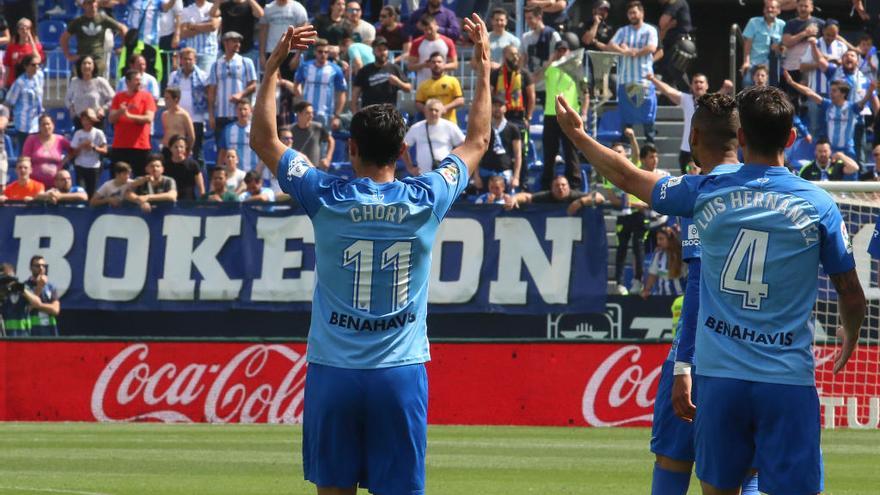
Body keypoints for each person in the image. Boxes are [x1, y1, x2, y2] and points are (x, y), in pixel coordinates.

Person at [555, 84, 865, 495]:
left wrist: (578, 135)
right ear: (791, 139)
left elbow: (627, 176)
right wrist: (851, 334)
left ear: (741, 138)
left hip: (720, 380)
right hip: (786, 380)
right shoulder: (818, 204)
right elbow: (851, 291)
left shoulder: (703, 191)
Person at [250, 17, 491, 494]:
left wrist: (273, 68)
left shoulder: (324, 194)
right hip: (398, 374)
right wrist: (482, 69)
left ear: (352, 148)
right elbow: (477, 141)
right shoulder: (427, 198)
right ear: (403, 151)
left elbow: (264, 141)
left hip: (334, 373)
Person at [649, 92, 760, 495]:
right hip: (756, 352)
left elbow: (696, 286)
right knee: (745, 470)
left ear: (693, 135)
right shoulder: (772, 188)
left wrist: (683, 365)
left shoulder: (697, 193)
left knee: (674, 460)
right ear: (742, 137)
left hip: (700, 349)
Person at [649, 73, 733, 174]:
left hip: (706, 151)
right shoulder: (686, 99)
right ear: (691, 86)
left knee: (705, 182)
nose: (698, 84)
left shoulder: (712, 101)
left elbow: (721, 96)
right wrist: (653, 79)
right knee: (688, 184)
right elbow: (668, 91)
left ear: (707, 85)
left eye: (701, 82)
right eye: (695, 82)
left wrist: (725, 89)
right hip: (687, 151)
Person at [783, 71, 876, 160]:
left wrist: (870, 90)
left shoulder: (851, 107)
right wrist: (792, 83)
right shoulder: (828, 105)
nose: (830, 93)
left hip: (848, 150)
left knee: (850, 173)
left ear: (843, 93)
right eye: (830, 90)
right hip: (830, 151)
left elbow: (863, 101)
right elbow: (810, 93)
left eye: (834, 91)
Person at [607, 1, 658, 143]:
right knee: (626, 115)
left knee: (648, 114)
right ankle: (626, 146)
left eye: (635, 12)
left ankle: (650, 145)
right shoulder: (623, 31)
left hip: (644, 80)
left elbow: (652, 47)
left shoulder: (650, 30)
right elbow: (610, 45)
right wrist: (624, 51)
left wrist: (635, 52)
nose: (632, 16)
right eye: (630, 13)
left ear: (641, 13)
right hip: (626, 80)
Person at [541, 40, 586, 191]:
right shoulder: (551, 68)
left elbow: (585, 92)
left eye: (564, 50)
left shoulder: (576, 68)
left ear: (569, 52)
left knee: (571, 151)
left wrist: (584, 113)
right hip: (551, 114)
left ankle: (574, 185)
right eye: (559, 50)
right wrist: (550, 60)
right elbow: (536, 78)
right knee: (549, 152)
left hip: (569, 114)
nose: (561, 53)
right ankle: (548, 186)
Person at [207, 31, 258, 152]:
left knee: (241, 148)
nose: (238, 44)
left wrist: (241, 94)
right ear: (225, 42)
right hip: (221, 114)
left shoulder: (246, 62)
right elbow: (212, 91)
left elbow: (253, 85)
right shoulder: (216, 64)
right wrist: (211, 115)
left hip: (239, 114)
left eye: (239, 41)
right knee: (222, 148)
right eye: (234, 41)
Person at [799, 20, 848, 138]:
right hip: (816, 91)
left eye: (834, 35)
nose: (830, 37)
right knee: (814, 126)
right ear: (823, 31)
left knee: (833, 126)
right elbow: (802, 67)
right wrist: (820, 64)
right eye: (828, 34)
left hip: (836, 94)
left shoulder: (842, 46)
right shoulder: (814, 44)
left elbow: (848, 66)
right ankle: (814, 155)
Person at [109, 70, 158, 177]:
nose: (139, 82)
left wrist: (129, 116)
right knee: (117, 179)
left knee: (142, 178)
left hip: (140, 146)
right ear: (127, 82)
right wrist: (120, 112)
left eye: (140, 80)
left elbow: (149, 118)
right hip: (120, 145)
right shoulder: (118, 97)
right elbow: (111, 119)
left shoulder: (147, 97)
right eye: (136, 80)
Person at [61, 0, 127, 77]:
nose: (92, 5)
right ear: (84, 6)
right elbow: (64, 38)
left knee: (97, 78)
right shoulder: (78, 22)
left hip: (97, 58)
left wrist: (123, 47)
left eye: (94, 2)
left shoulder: (103, 19)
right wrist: (68, 55)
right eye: (89, 3)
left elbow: (123, 28)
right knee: (76, 80)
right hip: (82, 57)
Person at [294, 38, 347, 130]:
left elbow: (342, 93)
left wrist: (337, 116)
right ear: (315, 52)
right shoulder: (305, 66)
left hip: (326, 114)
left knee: (323, 143)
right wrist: (301, 100)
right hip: (306, 113)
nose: (323, 54)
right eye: (320, 51)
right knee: (303, 141)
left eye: (326, 52)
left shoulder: (335, 69)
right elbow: (296, 84)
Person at [167, 48, 209, 165]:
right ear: (181, 60)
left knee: (197, 153)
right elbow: (169, 96)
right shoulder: (174, 76)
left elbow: (208, 97)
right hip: (178, 120)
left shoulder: (203, 76)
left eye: (190, 59)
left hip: (196, 119)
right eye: (185, 59)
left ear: (195, 60)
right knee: (177, 153)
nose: (187, 62)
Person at [402, 98, 466, 175]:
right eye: (431, 109)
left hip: (445, 176)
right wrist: (410, 168)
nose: (433, 112)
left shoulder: (450, 126)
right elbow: (403, 148)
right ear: (425, 111)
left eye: (436, 110)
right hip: (423, 176)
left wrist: (457, 166)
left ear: (441, 112)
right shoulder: (416, 127)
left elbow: (465, 146)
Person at [351, 37, 411, 112]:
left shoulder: (394, 68)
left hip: (389, 113)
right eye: (379, 50)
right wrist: (355, 113)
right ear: (373, 52)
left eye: (385, 49)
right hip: (369, 113)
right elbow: (355, 94)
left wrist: (398, 82)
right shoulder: (364, 70)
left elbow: (408, 88)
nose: (382, 52)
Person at [781, 0, 823, 105]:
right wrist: (805, 33)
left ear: (812, 8)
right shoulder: (790, 23)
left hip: (812, 67)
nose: (803, 8)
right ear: (797, 7)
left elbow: (832, 37)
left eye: (806, 6)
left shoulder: (821, 23)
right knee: (792, 99)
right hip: (793, 67)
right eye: (800, 6)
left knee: (810, 98)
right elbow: (786, 42)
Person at [476, 97, 522, 190]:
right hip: (485, 171)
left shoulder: (513, 128)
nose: (497, 108)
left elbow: (518, 155)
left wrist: (516, 177)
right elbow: (476, 152)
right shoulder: (484, 127)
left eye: (500, 106)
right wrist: (476, 176)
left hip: (505, 172)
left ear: (505, 108)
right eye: (494, 106)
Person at [4, 54, 43, 153]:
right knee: (24, 152)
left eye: (38, 65)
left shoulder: (40, 76)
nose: (36, 67)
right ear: (26, 66)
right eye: (33, 65)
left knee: (36, 152)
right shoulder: (20, 82)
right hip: (23, 123)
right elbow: (9, 101)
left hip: (36, 122)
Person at [741, 0, 785, 87]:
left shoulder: (782, 24)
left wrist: (779, 47)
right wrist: (746, 61)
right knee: (747, 83)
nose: (769, 9)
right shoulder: (753, 22)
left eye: (772, 7)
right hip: (755, 63)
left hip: (774, 64)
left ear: (778, 10)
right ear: (763, 10)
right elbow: (748, 43)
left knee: (774, 89)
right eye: (767, 7)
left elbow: (786, 45)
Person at [21, 114, 72, 189]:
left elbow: (73, 150)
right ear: (39, 127)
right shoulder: (31, 139)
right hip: (35, 184)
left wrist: (63, 162)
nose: (46, 127)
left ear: (53, 125)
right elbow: (25, 159)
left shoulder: (60, 139)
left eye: (48, 124)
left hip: (55, 184)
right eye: (43, 124)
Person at [508, 174, 605, 213]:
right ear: (552, 188)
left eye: (563, 185)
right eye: (557, 185)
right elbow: (526, 197)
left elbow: (600, 197)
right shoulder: (547, 196)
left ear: (568, 187)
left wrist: (581, 202)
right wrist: (514, 199)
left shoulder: (575, 195)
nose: (560, 188)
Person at [408, 15, 458, 89]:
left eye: (430, 28)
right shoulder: (417, 43)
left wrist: (440, 66)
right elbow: (410, 66)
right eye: (425, 29)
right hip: (423, 85)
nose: (429, 32)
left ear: (436, 26)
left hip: (443, 85)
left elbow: (455, 64)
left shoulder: (447, 42)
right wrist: (424, 65)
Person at [520, 4, 561, 95]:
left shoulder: (552, 35)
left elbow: (554, 60)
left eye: (530, 18)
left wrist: (537, 77)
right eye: (526, 18)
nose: (528, 21)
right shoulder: (525, 37)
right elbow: (523, 59)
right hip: (529, 86)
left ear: (539, 17)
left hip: (547, 86)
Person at [66, 56, 115, 130]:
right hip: (79, 120)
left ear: (94, 66)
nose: (86, 66)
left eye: (89, 63)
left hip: (96, 120)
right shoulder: (74, 81)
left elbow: (113, 98)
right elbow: (67, 99)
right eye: (84, 63)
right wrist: (71, 107)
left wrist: (103, 109)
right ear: (80, 66)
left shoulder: (100, 82)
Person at [415, 52, 464, 124]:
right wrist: (430, 111)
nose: (436, 64)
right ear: (429, 65)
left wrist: (445, 108)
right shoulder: (423, 85)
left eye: (439, 62)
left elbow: (460, 100)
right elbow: (418, 103)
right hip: (431, 123)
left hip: (449, 123)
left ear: (444, 64)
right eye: (433, 62)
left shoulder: (453, 81)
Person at [258, 0, 308, 72]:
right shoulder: (268, 9)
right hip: (272, 52)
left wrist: (297, 56)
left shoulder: (298, 8)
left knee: (289, 82)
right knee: (271, 82)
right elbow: (263, 33)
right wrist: (262, 55)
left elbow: (303, 33)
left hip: (292, 52)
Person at [70, 108, 108, 196]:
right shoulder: (78, 133)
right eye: (84, 120)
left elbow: (105, 150)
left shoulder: (99, 133)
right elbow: (73, 152)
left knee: (92, 192)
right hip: (80, 165)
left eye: (88, 120)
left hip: (94, 166)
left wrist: (94, 147)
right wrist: (81, 146)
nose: (86, 122)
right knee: (81, 190)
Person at [640, 225, 685, 297]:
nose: (658, 242)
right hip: (662, 297)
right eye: (657, 239)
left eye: (661, 239)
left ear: (670, 239)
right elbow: (652, 274)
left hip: (679, 297)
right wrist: (647, 290)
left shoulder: (682, 255)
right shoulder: (658, 255)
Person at [22, 255, 60, 337]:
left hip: (50, 332)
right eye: (37, 266)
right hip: (32, 332)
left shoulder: (51, 287)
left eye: (43, 266)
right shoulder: (24, 287)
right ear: (31, 268)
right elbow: (27, 309)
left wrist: (38, 305)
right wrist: (39, 287)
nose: (41, 268)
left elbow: (55, 310)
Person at [221, 100, 261, 176]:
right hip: (233, 174)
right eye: (240, 109)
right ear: (236, 111)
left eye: (245, 109)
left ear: (251, 111)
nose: (242, 112)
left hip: (252, 174)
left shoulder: (257, 129)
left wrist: (257, 172)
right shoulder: (228, 129)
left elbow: (263, 154)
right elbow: (223, 151)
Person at [179, 0, 220, 74]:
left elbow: (213, 26)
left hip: (208, 52)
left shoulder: (213, 7)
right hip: (191, 53)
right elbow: (184, 33)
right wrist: (205, 26)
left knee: (206, 82)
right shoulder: (187, 10)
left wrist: (192, 26)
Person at [291, 102, 334, 170]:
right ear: (299, 114)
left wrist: (328, 158)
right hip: (295, 170)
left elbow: (331, 140)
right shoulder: (290, 130)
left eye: (312, 113)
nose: (311, 115)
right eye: (307, 113)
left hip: (314, 170)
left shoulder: (318, 127)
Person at [2, 17, 42, 89]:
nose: (24, 30)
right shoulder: (11, 47)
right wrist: (4, 84)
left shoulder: (37, 47)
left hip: (30, 85)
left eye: (27, 28)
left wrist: (31, 41)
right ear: (18, 30)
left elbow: (38, 59)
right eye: (22, 28)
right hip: (13, 84)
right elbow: (7, 67)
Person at [163, 134, 204, 200]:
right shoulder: (165, 165)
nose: (179, 149)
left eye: (181, 147)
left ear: (185, 148)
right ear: (170, 148)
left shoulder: (193, 165)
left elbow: (201, 187)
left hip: (188, 202)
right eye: (175, 147)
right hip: (169, 201)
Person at [160, 87, 195, 154]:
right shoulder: (165, 115)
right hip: (167, 148)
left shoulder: (184, 115)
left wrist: (188, 150)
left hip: (179, 150)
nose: (165, 100)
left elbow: (191, 136)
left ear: (176, 99)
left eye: (167, 98)